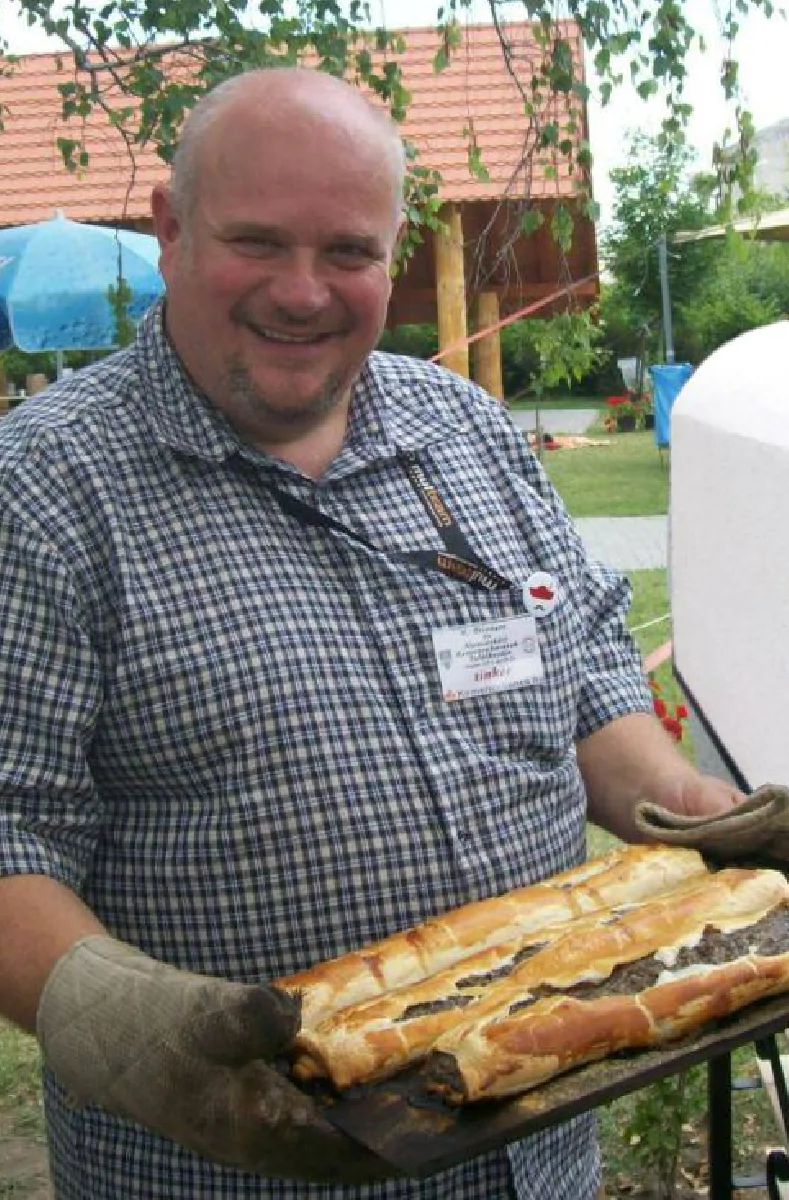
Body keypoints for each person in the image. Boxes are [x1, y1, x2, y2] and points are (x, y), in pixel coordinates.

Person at [0, 67, 745, 1199]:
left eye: (347, 252)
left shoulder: (470, 431)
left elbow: (588, 667)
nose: (304, 292)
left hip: (535, 1156)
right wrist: (140, 1036)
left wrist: (684, 806)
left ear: (391, 257)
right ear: (170, 230)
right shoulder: (43, 491)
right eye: (258, 242)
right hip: (233, 1174)